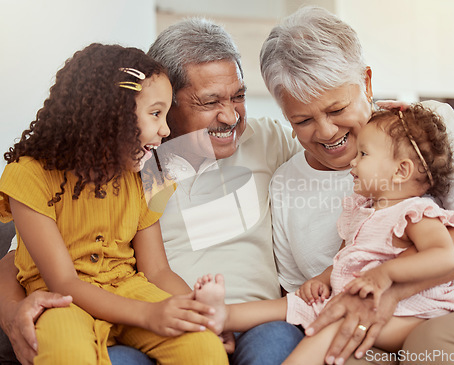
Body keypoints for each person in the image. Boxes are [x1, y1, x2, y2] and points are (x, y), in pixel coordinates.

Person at [0, 18, 303, 365]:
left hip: (237, 316)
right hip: (122, 310)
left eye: (239, 96)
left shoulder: (267, 139)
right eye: (210, 102)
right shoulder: (141, 165)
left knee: (247, 345)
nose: (231, 115)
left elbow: (337, 157)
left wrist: (375, 123)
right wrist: (9, 310)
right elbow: (22, 256)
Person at [260, 6, 454, 364]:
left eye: (337, 109)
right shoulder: (285, 185)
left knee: (429, 348)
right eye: (303, 119)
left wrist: (390, 287)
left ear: (367, 83)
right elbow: (302, 294)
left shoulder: (422, 131)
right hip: (362, 334)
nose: (326, 131)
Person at [0, 43, 227, 364]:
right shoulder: (28, 175)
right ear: (109, 115)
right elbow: (63, 281)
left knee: (202, 346)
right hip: (63, 301)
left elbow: (158, 270)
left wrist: (193, 312)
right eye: (155, 113)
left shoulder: (148, 173)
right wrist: (148, 314)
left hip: (129, 288)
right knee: (67, 353)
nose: (165, 129)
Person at [193, 105, 454, 365]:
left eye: (364, 155)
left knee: (332, 325)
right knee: (293, 303)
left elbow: (445, 256)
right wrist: (321, 280)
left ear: (401, 170)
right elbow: (344, 259)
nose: (353, 163)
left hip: (414, 314)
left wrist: (386, 274)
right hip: (356, 300)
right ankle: (222, 316)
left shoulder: (415, 212)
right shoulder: (362, 211)